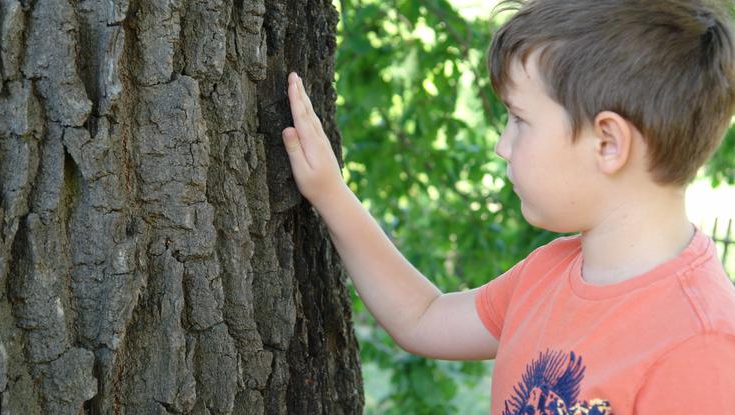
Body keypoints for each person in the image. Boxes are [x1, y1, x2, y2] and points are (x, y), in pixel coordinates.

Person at [280, 0, 735, 413]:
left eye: (519, 120)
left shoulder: (700, 345)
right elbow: (422, 317)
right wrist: (330, 193)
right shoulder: (550, 272)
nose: (502, 146)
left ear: (608, 143)